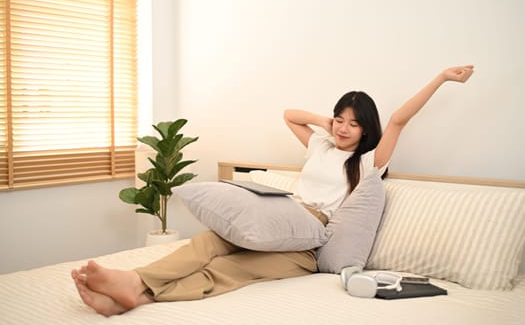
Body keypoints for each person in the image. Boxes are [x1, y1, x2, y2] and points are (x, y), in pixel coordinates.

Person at [71, 65, 474, 316]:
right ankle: (135, 288)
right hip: (280, 218)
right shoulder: (320, 144)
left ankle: (138, 290)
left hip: (305, 247)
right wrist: (325, 121)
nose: (342, 128)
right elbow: (290, 116)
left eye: (352, 123)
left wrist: (440, 78)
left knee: (227, 271)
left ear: (367, 129)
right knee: (210, 240)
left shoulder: (367, 163)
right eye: (339, 119)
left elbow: (400, 120)